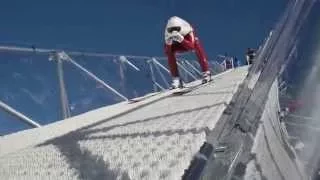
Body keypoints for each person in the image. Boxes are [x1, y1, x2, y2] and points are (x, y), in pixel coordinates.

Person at [164, 16, 211, 89]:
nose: (174, 31)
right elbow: (167, 52)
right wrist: (168, 44)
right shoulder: (167, 32)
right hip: (179, 45)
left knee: (197, 43)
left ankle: (206, 72)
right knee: (170, 53)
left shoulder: (187, 29)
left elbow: (191, 47)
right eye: (171, 30)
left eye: (176, 29)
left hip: (188, 43)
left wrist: (181, 39)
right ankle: (176, 79)